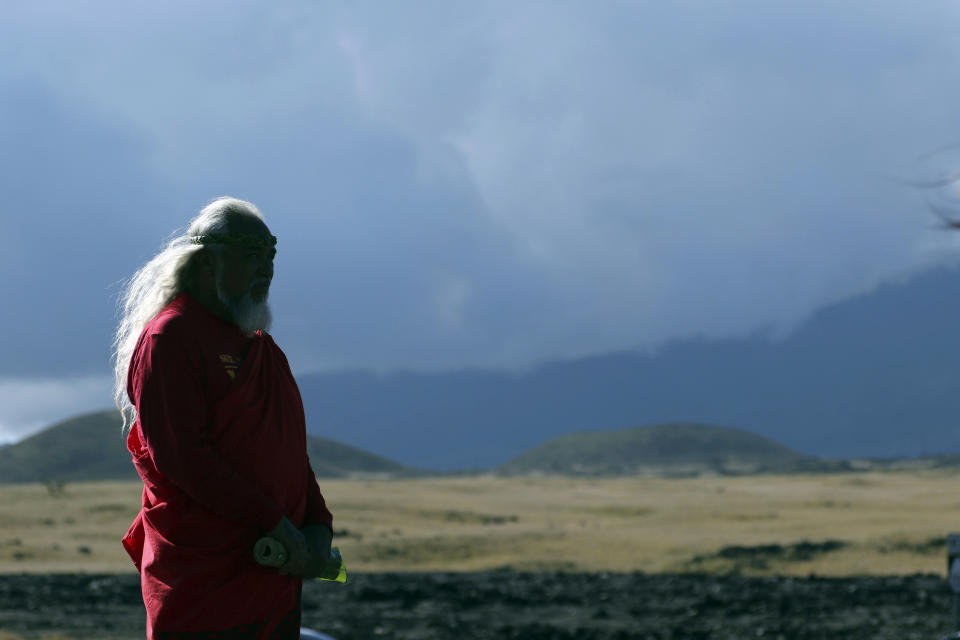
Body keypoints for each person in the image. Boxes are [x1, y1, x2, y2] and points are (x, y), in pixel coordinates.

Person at [112, 197, 338, 639]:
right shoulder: (170, 338)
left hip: (271, 568)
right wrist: (275, 522)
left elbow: (291, 451)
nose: (267, 271)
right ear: (206, 262)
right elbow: (183, 457)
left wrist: (317, 526)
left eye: (271, 257)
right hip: (207, 574)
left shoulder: (262, 349)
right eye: (251, 256)